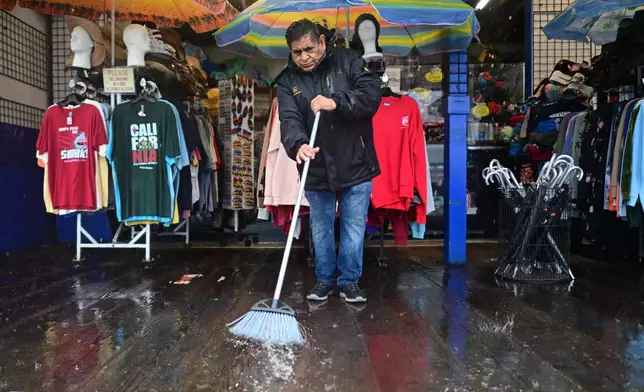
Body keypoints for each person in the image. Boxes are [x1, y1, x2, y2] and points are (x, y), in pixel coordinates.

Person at [275, 18, 382, 303]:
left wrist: (336, 101)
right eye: (297, 52)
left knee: (353, 227)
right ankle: (324, 280)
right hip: (316, 165)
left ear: (322, 42)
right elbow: (289, 118)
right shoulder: (287, 80)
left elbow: (371, 97)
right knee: (320, 229)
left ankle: (349, 282)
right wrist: (297, 145)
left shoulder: (350, 61)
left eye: (309, 49)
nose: (304, 57)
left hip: (355, 161)